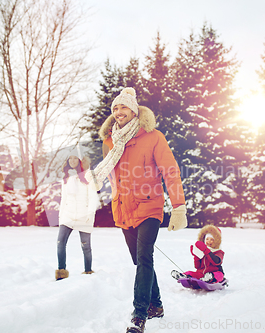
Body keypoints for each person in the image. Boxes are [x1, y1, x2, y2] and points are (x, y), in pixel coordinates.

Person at [86, 87, 187, 333]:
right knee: (139, 260)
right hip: (123, 209)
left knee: (144, 258)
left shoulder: (153, 137)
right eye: (115, 108)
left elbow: (170, 171)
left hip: (150, 206)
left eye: (123, 107)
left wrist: (178, 207)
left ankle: (138, 316)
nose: (119, 112)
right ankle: (157, 306)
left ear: (134, 110)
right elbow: (112, 176)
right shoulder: (110, 141)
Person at [55, 152, 99, 280]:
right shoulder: (66, 178)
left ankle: (88, 271)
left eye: (75, 158)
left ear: (80, 161)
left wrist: (90, 214)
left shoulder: (87, 176)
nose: (72, 160)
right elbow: (64, 199)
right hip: (67, 215)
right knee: (60, 243)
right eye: (70, 158)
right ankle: (61, 272)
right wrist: (61, 216)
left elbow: (92, 197)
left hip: (83, 215)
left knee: (86, 246)